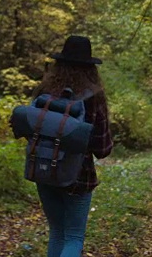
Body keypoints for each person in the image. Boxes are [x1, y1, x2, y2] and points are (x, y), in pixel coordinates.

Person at [31, 35, 113, 257]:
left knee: (57, 231)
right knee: (74, 236)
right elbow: (102, 148)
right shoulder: (93, 97)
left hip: (43, 169)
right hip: (79, 175)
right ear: (90, 67)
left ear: (60, 63)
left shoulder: (44, 91)